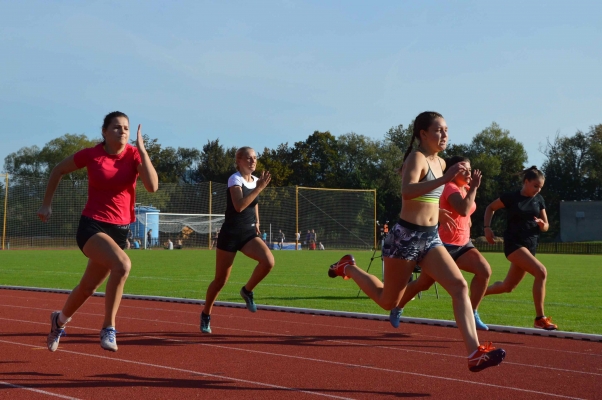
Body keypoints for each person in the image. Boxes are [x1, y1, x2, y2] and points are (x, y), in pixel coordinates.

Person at [327, 111, 505, 372]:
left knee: (459, 286)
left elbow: (430, 196)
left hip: (430, 237)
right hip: (406, 237)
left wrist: (439, 212)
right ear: (423, 134)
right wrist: (445, 180)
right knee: (388, 301)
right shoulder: (417, 158)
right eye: (438, 130)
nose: (444, 135)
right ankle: (348, 268)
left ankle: (474, 353)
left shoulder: (442, 162)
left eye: (446, 130)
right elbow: (407, 190)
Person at [38, 111, 158, 352]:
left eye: (126, 128)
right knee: (123, 265)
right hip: (92, 226)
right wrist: (46, 203)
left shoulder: (134, 155)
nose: (122, 131)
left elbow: (152, 186)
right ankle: (108, 327)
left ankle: (58, 321)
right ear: (104, 131)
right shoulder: (92, 155)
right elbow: (58, 170)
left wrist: (143, 152)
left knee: (87, 288)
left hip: (120, 230)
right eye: (116, 127)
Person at [389, 156, 492, 331]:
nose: (469, 173)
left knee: (484, 271)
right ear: (452, 172)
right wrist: (474, 187)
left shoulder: (465, 188)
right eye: (464, 170)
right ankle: (397, 307)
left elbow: (466, 214)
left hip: (463, 244)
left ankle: (472, 312)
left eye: (470, 169)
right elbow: (463, 208)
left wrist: (468, 223)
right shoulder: (450, 187)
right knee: (423, 284)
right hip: (443, 246)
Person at [200, 147, 274, 334]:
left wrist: (257, 221)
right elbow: (240, 206)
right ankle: (206, 314)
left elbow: (253, 203)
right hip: (231, 235)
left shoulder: (256, 181)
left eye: (255, 158)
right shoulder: (235, 179)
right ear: (239, 161)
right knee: (220, 281)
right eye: (249, 158)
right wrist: (259, 188)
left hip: (248, 235)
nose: (253, 161)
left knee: (268, 262)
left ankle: (247, 291)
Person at [483, 166, 557, 330]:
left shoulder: (539, 200)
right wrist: (487, 227)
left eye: (540, 187)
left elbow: (546, 226)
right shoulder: (511, 197)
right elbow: (490, 208)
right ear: (526, 181)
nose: (537, 190)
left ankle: (479, 293)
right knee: (541, 271)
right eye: (535, 186)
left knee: (507, 287)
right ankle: (540, 318)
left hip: (530, 245)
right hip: (514, 244)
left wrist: (542, 225)